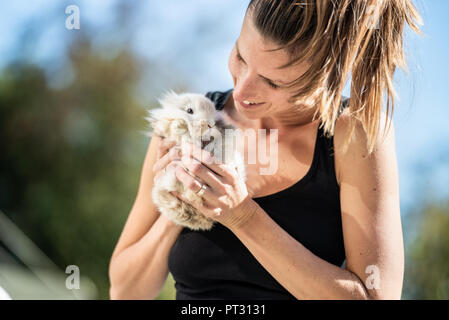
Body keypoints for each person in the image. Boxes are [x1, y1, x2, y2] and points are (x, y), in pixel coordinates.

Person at [109, 0, 422, 300]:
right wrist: (182, 203)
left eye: (273, 82)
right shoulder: (191, 120)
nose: (243, 90)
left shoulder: (355, 134)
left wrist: (242, 216)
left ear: (325, 76)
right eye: (241, 57)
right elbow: (124, 292)